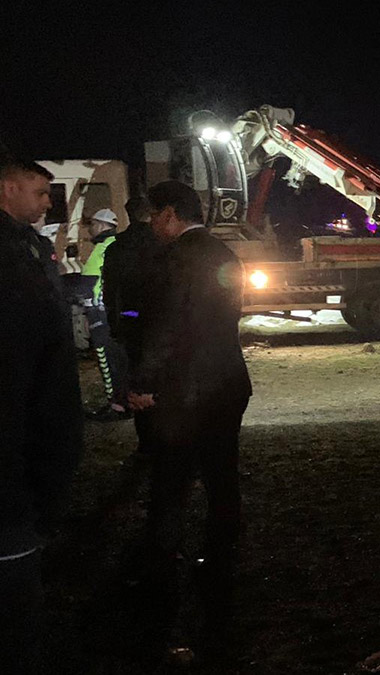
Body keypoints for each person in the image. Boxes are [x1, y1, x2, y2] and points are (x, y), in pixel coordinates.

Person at [127, 180, 252, 652]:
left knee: (171, 479)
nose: (153, 225)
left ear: (170, 214)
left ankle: (162, 568)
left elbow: (165, 329)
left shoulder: (173, 260)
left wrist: (142, 382)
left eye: (155, 215)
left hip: (187, 389)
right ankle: (222, 555)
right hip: (229, 379)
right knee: (222, 472)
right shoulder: (224, 253)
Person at [0, 158, 84, 673]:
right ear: (7, 188)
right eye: (39, 191)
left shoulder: (26, 247)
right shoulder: (12, 257)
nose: (47, 202)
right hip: (15, 452)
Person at [104, 196, 160, 453]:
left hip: (130, 320)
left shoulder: (117, 248)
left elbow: (110, 291)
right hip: (159, 321)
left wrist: (116, 325)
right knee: (163, 378)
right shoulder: (163, 243)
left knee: (137, 376)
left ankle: (146, 440)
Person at [80, 207, 130, 421]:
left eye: (92, 224)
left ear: (101, 225)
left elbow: (88, 284)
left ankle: (117, 405)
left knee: (107, 360)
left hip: (101, 314)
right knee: (120, 359)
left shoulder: (102, 247)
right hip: (115, 312)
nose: (90, 229)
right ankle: (124, 402)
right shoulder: (116, 245)